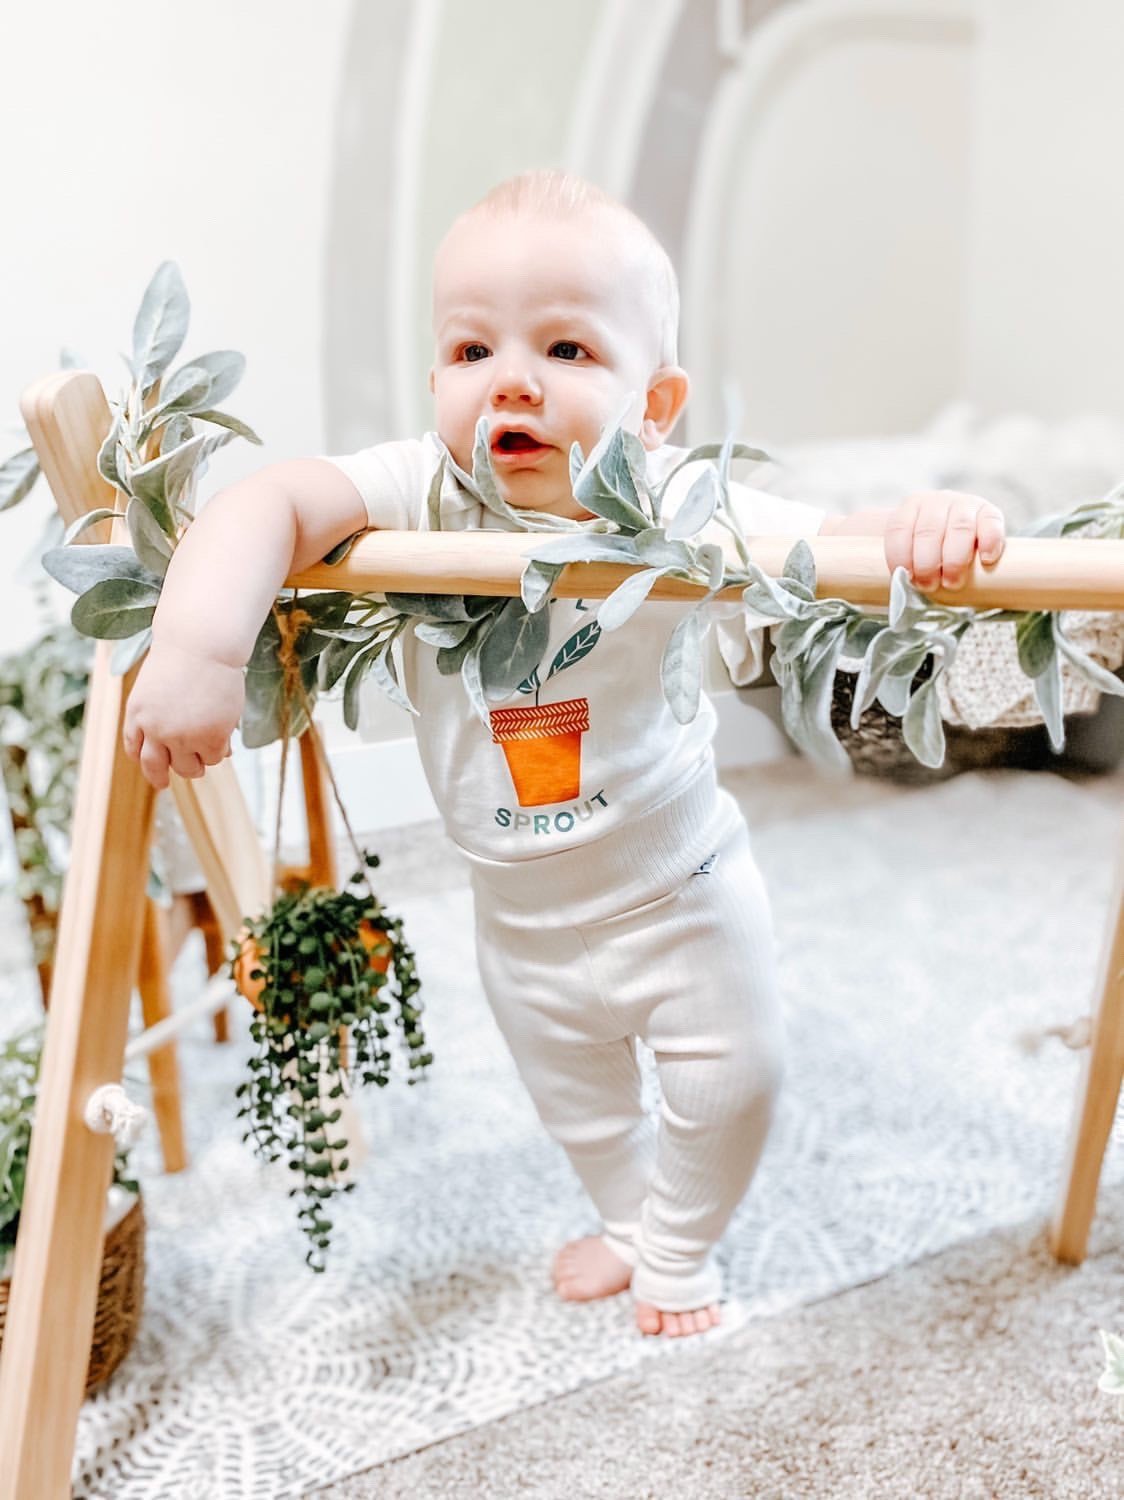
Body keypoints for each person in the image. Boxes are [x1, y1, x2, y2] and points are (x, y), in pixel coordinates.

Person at [124, 169, 1006, 1340]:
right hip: (518, 916)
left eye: (568, 350)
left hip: (678, 890)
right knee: (576, 1100)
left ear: (655, 402)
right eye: (470, 348)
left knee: (730, 1079)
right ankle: (627, 1217)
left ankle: (679, 1247)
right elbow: (267, 502)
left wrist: (912, 528)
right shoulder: (422, 496)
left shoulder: (669, 500)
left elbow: (819, 549)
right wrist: (197, 646)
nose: (512, 380)